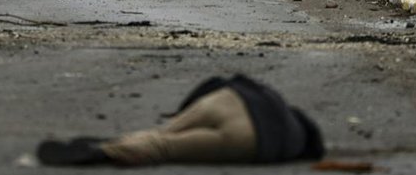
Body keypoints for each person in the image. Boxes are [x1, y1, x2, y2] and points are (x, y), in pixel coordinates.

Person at [36, 74, 324, 166]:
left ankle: (140, 136)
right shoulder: (293, 142)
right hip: (251, 137)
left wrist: (182, 112)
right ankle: (108, 151)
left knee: (165, 132)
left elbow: (216, 82)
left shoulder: (274, 99)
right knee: (166, 149)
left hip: (228, 99)